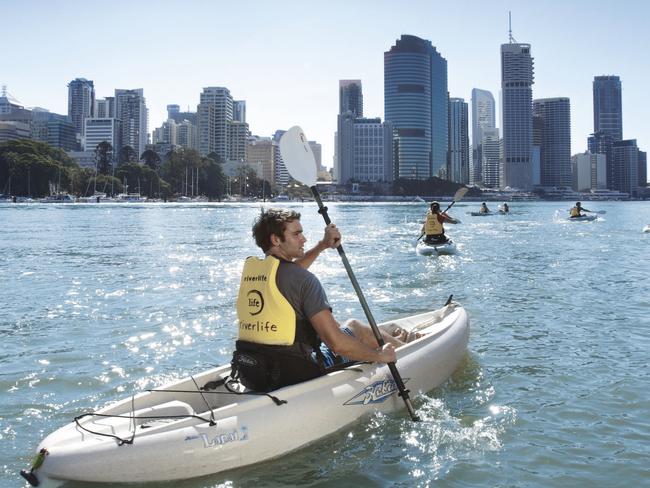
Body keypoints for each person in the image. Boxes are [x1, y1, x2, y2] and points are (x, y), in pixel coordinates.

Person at [231, 208, 401, 392]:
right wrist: (379, 356)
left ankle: (398, 340)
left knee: (349, 329)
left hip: (256, 370)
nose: (303, 239)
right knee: (355, 327)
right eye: (297, 234)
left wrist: (322, 245)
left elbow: (292, 274)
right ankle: (407, 349)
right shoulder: (306, 280)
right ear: (275, 239)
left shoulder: (257, 275)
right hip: (296, 372)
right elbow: (337, 344)